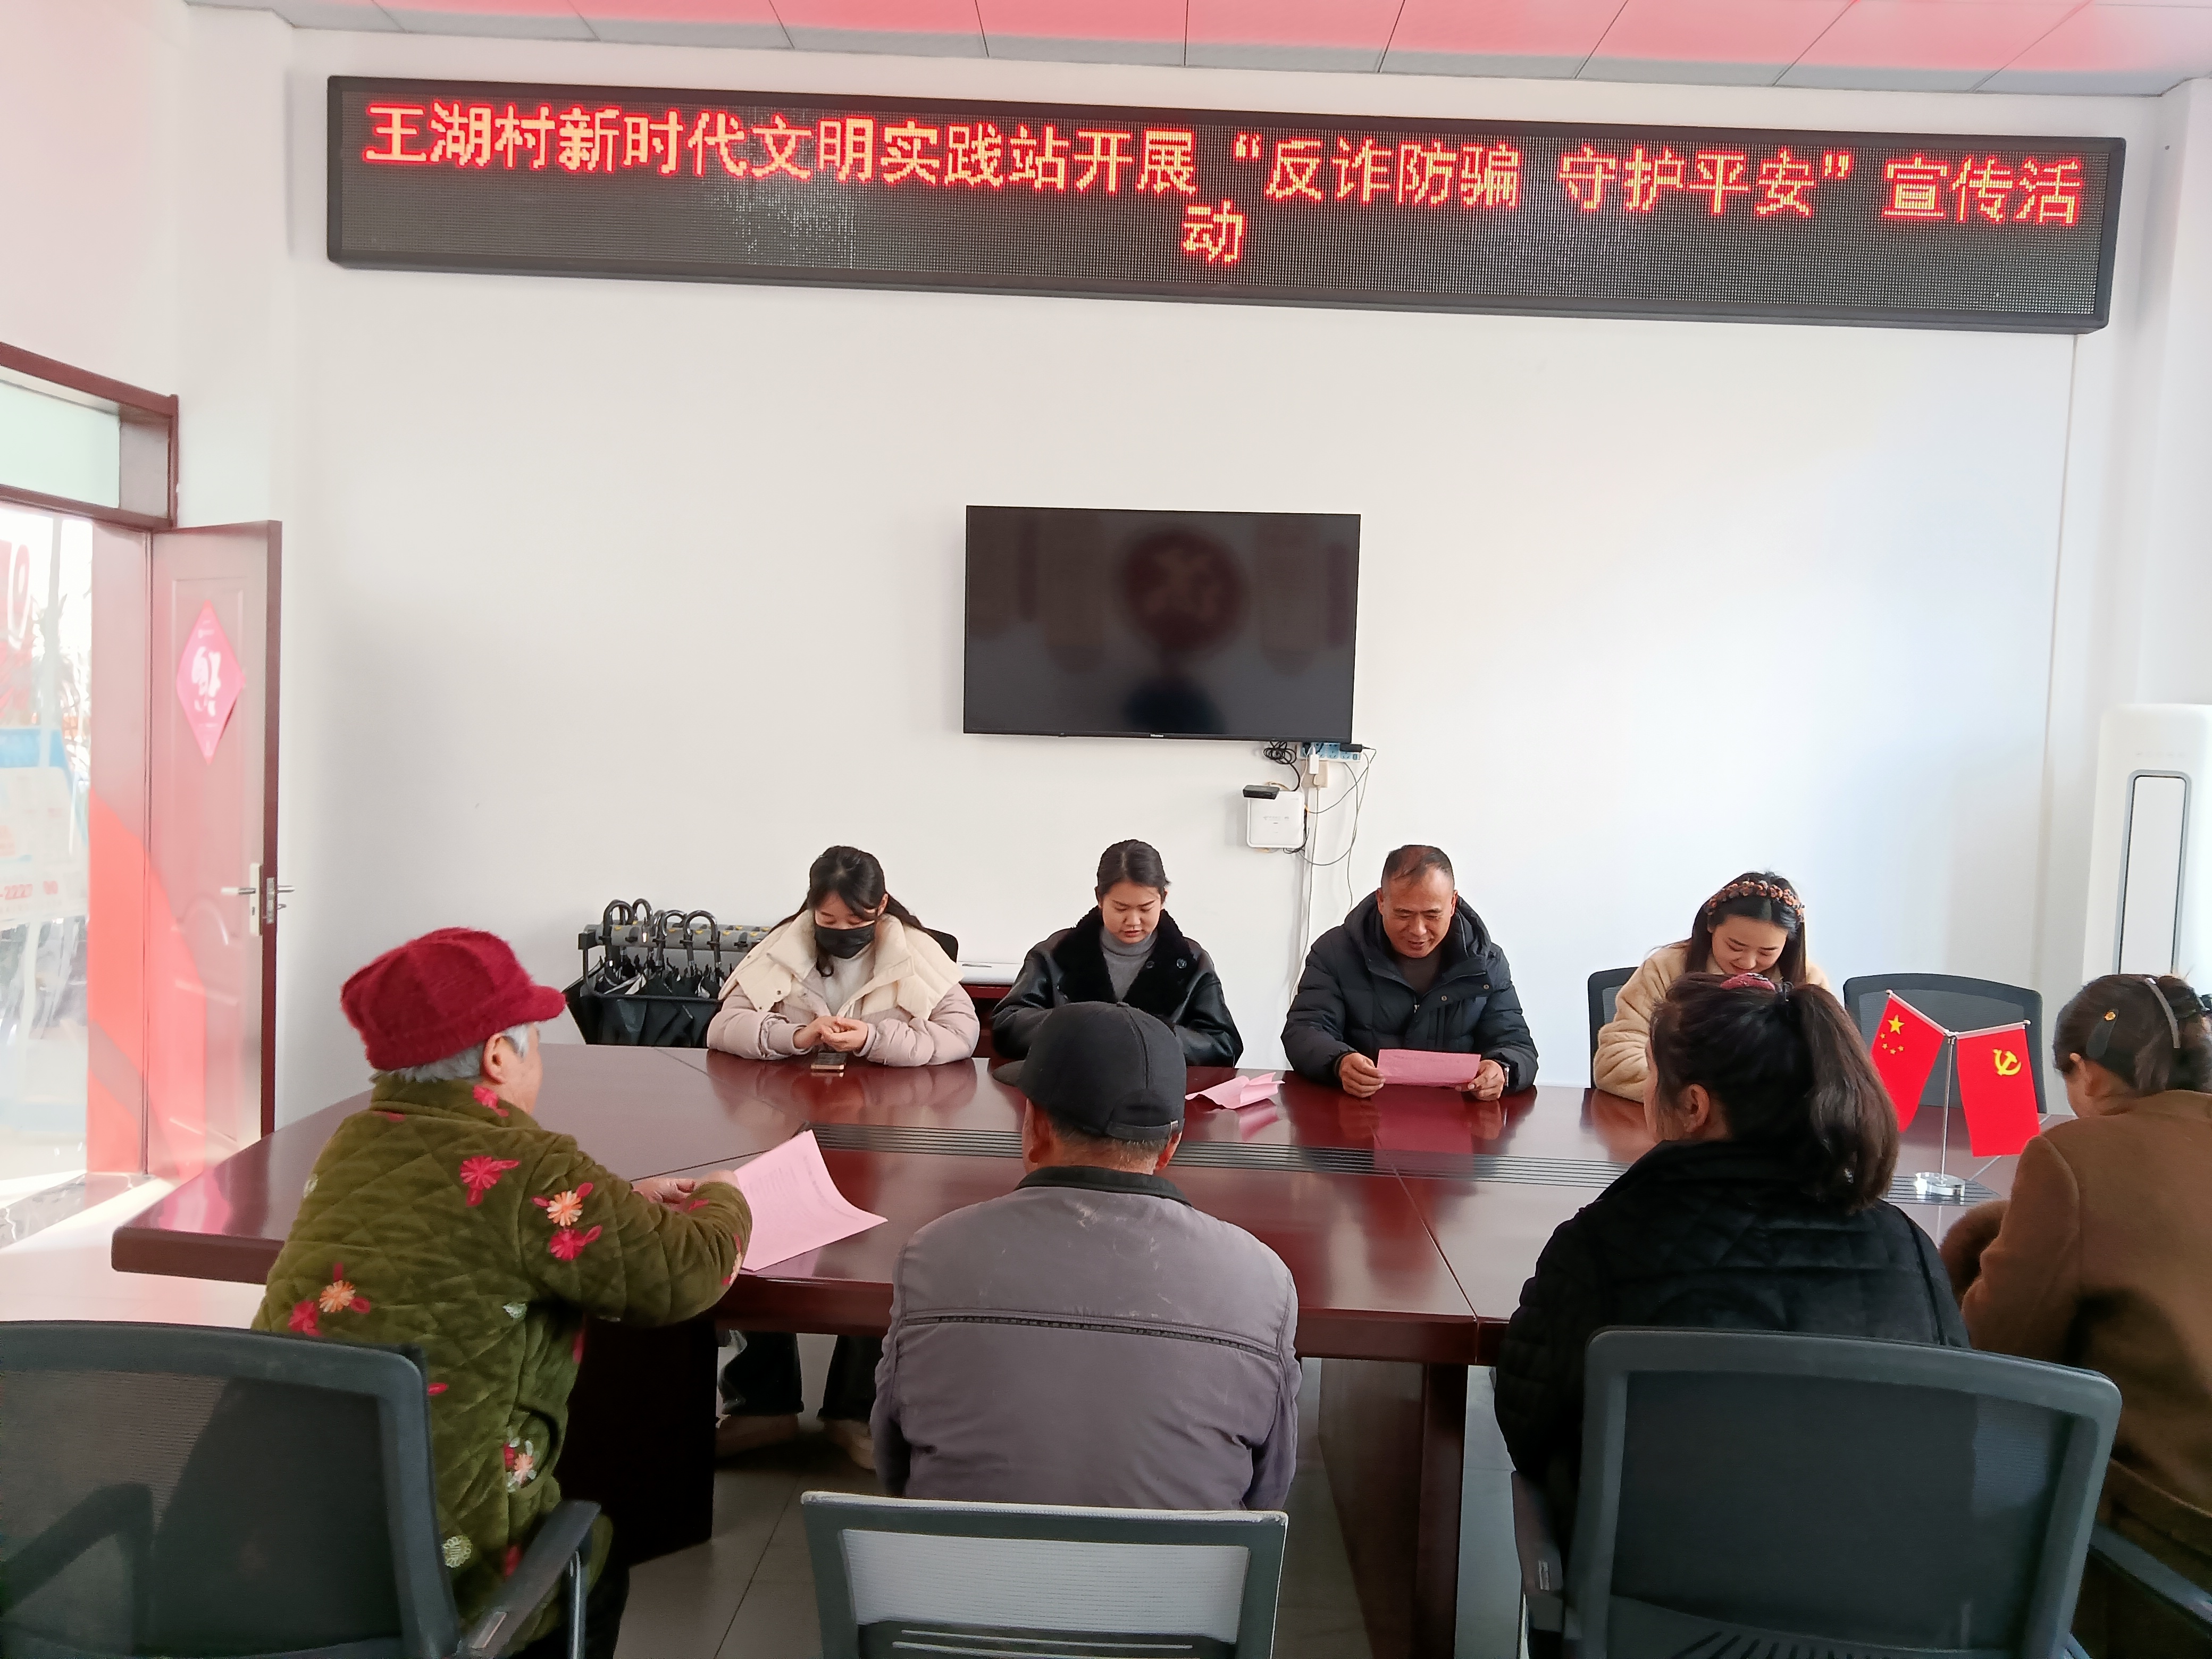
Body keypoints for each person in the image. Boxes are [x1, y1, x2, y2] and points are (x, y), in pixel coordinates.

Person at [253, 929, 751, 1659]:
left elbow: (457, 1217)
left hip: (272, 1543)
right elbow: (685, 1275)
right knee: (596, 1557)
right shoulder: (530, 1166)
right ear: (497, 1056)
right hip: (440, 1572)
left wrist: (614, 1203)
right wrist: (725, 1197)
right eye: (536, 1044)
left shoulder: (352, 1141)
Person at [1495, 973, 1965, 1544]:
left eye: (1652, 1075)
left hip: (1654, 1582)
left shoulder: (1604, 1241)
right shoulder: (1906, 1248)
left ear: (1693, 1105)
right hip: (1879, 1578)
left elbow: (1527, 1426)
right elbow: (1951, 1432)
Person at [873, 1002, 1301, 1509]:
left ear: (1037, 1128)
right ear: (1170, 1147)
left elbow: (894, 1466)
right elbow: (1267, 1492)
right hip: (1185, 1564)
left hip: (960, 1560)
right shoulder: (1262, 1279)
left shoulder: (932, 1256)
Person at [1942, 974, 2212, 1658]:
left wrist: (1976, 1243)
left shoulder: (2072, 1155)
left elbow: (1995, 1351)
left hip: (2168, 1548)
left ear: (2084, 1072)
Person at [707, 845, 977, 1468]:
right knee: (763, 1243)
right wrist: (793, 1036)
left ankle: (853, 1412)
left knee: (880, 1255)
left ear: (879, 906)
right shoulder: (782, 947)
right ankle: (761, 1407)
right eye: (826, 922)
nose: (839, 933)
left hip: (883, 1132)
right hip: (787, 1120)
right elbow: (723, 1026)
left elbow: (959, 1034)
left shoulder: (916, 950)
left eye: (853, 921)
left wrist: (874, 1038)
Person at [1281, 844, 1536, 1101]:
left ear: (1452, 904)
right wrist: (1340, 1062)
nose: (1418, 930)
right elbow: (1304, 1029)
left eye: (1432, 915)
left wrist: (1502, 1070)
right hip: (1360, 1108)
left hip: (1456, 1111)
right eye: (1404, 914)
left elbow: (1517, 1045)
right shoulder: (1335, 953)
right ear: (1381, 901)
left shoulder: (1486, 962)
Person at [992, 839, 1242, 1067]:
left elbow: (1223, 1045)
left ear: (1163, 898)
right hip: (1069, 1087)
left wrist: (1153, 1037)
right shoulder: (1054, 953)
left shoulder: (1191, 961)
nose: (1133, 921)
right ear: (1100, 898)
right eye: (1121, 908)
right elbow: (1007, 1026)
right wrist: (1077, 1028)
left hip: (1158, 1092)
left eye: (1146, 908)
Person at [1593, 871, 1831, 1099]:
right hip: (1685, 1115)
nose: (1748, 963)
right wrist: (1705, 1096)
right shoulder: (1666, 968)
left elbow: (1831, 1066)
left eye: (1767, 952)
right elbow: (1615, 1062)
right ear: (1711, 925)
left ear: (1789, 943)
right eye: (1735, 947)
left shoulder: (1807, 980)